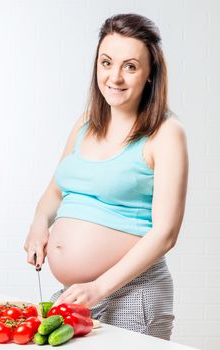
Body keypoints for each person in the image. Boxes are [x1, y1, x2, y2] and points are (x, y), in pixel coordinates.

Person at [24, 13, 188, 340]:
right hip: (78, 293)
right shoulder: (86, 123)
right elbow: (55, 191)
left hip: (131, 293)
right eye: (106, 62)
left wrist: (98, 287)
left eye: (130, 66)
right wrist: (39, 224)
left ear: (150, 74)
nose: (115, 77)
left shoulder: (166, 133)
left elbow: (166, 233)